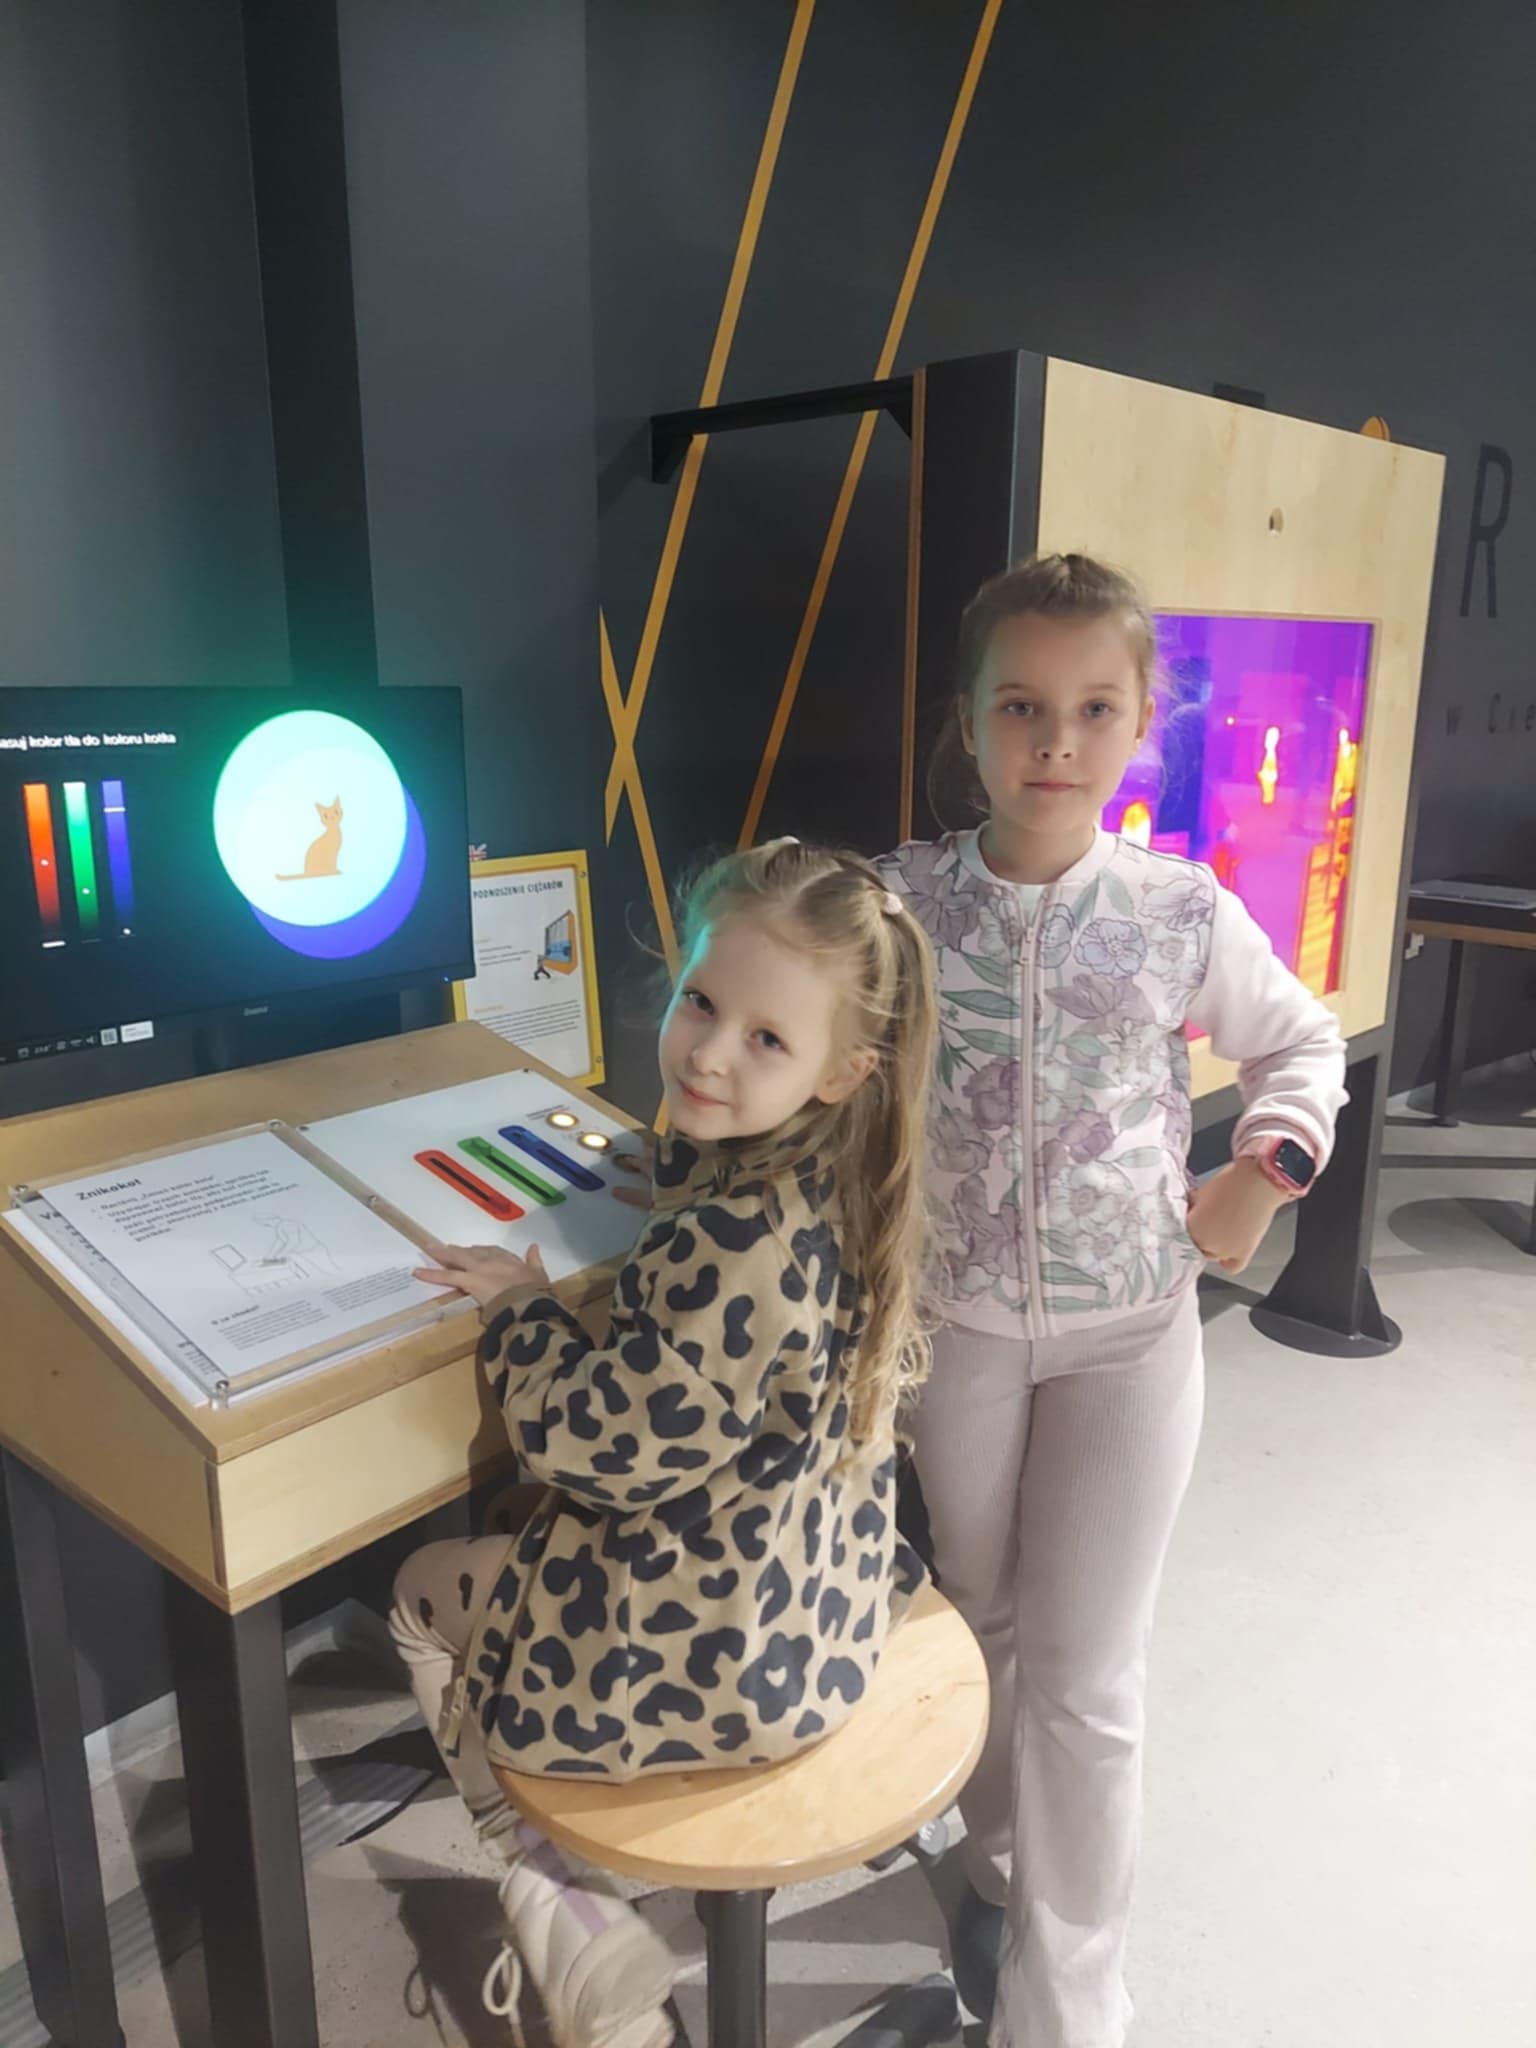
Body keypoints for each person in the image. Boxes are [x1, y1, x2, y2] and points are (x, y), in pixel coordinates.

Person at [879, 554, 1347, 2048]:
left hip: (1132, 1333)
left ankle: (1068, 2010)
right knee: (984, 1615)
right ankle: (1001, 1877)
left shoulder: (1175, 910)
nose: (1056, 741)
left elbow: (1302, 1044)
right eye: (1021, 705)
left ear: (1142, 721)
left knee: (1087, 1676)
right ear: (968, 720)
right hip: (955, 1328)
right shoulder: (900, 904)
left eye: (1094, 708)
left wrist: (1260, 1174)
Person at [389, 840, 937, 2048]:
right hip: (821, 1601)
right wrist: (676, 1170)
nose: (707, 1052)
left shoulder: (726, 1247)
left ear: (843, 1069)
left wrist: (523, 1310)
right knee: (516, 1539)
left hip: (709, 1655)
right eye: (700, 1002)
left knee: (425, 1591)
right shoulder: (842, 1177)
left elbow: (588, 1446)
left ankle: (558, 1904)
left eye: (764, 1038)